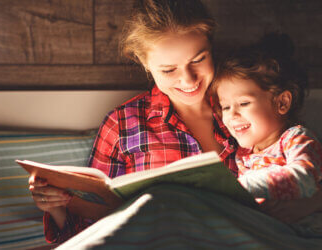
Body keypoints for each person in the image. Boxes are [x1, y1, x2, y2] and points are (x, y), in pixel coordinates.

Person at [28, 0, 322, 244]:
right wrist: (57, 207)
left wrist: (312, 203)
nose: (189, 79)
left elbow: (301, 168)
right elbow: (90, 230)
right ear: (146, 65)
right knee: (161, 201)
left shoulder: (242, 107)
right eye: (169, 69)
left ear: (212, 49)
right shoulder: (124, 124)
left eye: (198, 59)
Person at [209, 33, 322, 235]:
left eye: (244, 103)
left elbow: (304, 178)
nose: (232, 115)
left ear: (282, 103)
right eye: (225, 107)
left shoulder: (296, 138)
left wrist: (241, 186)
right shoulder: (242, 154)